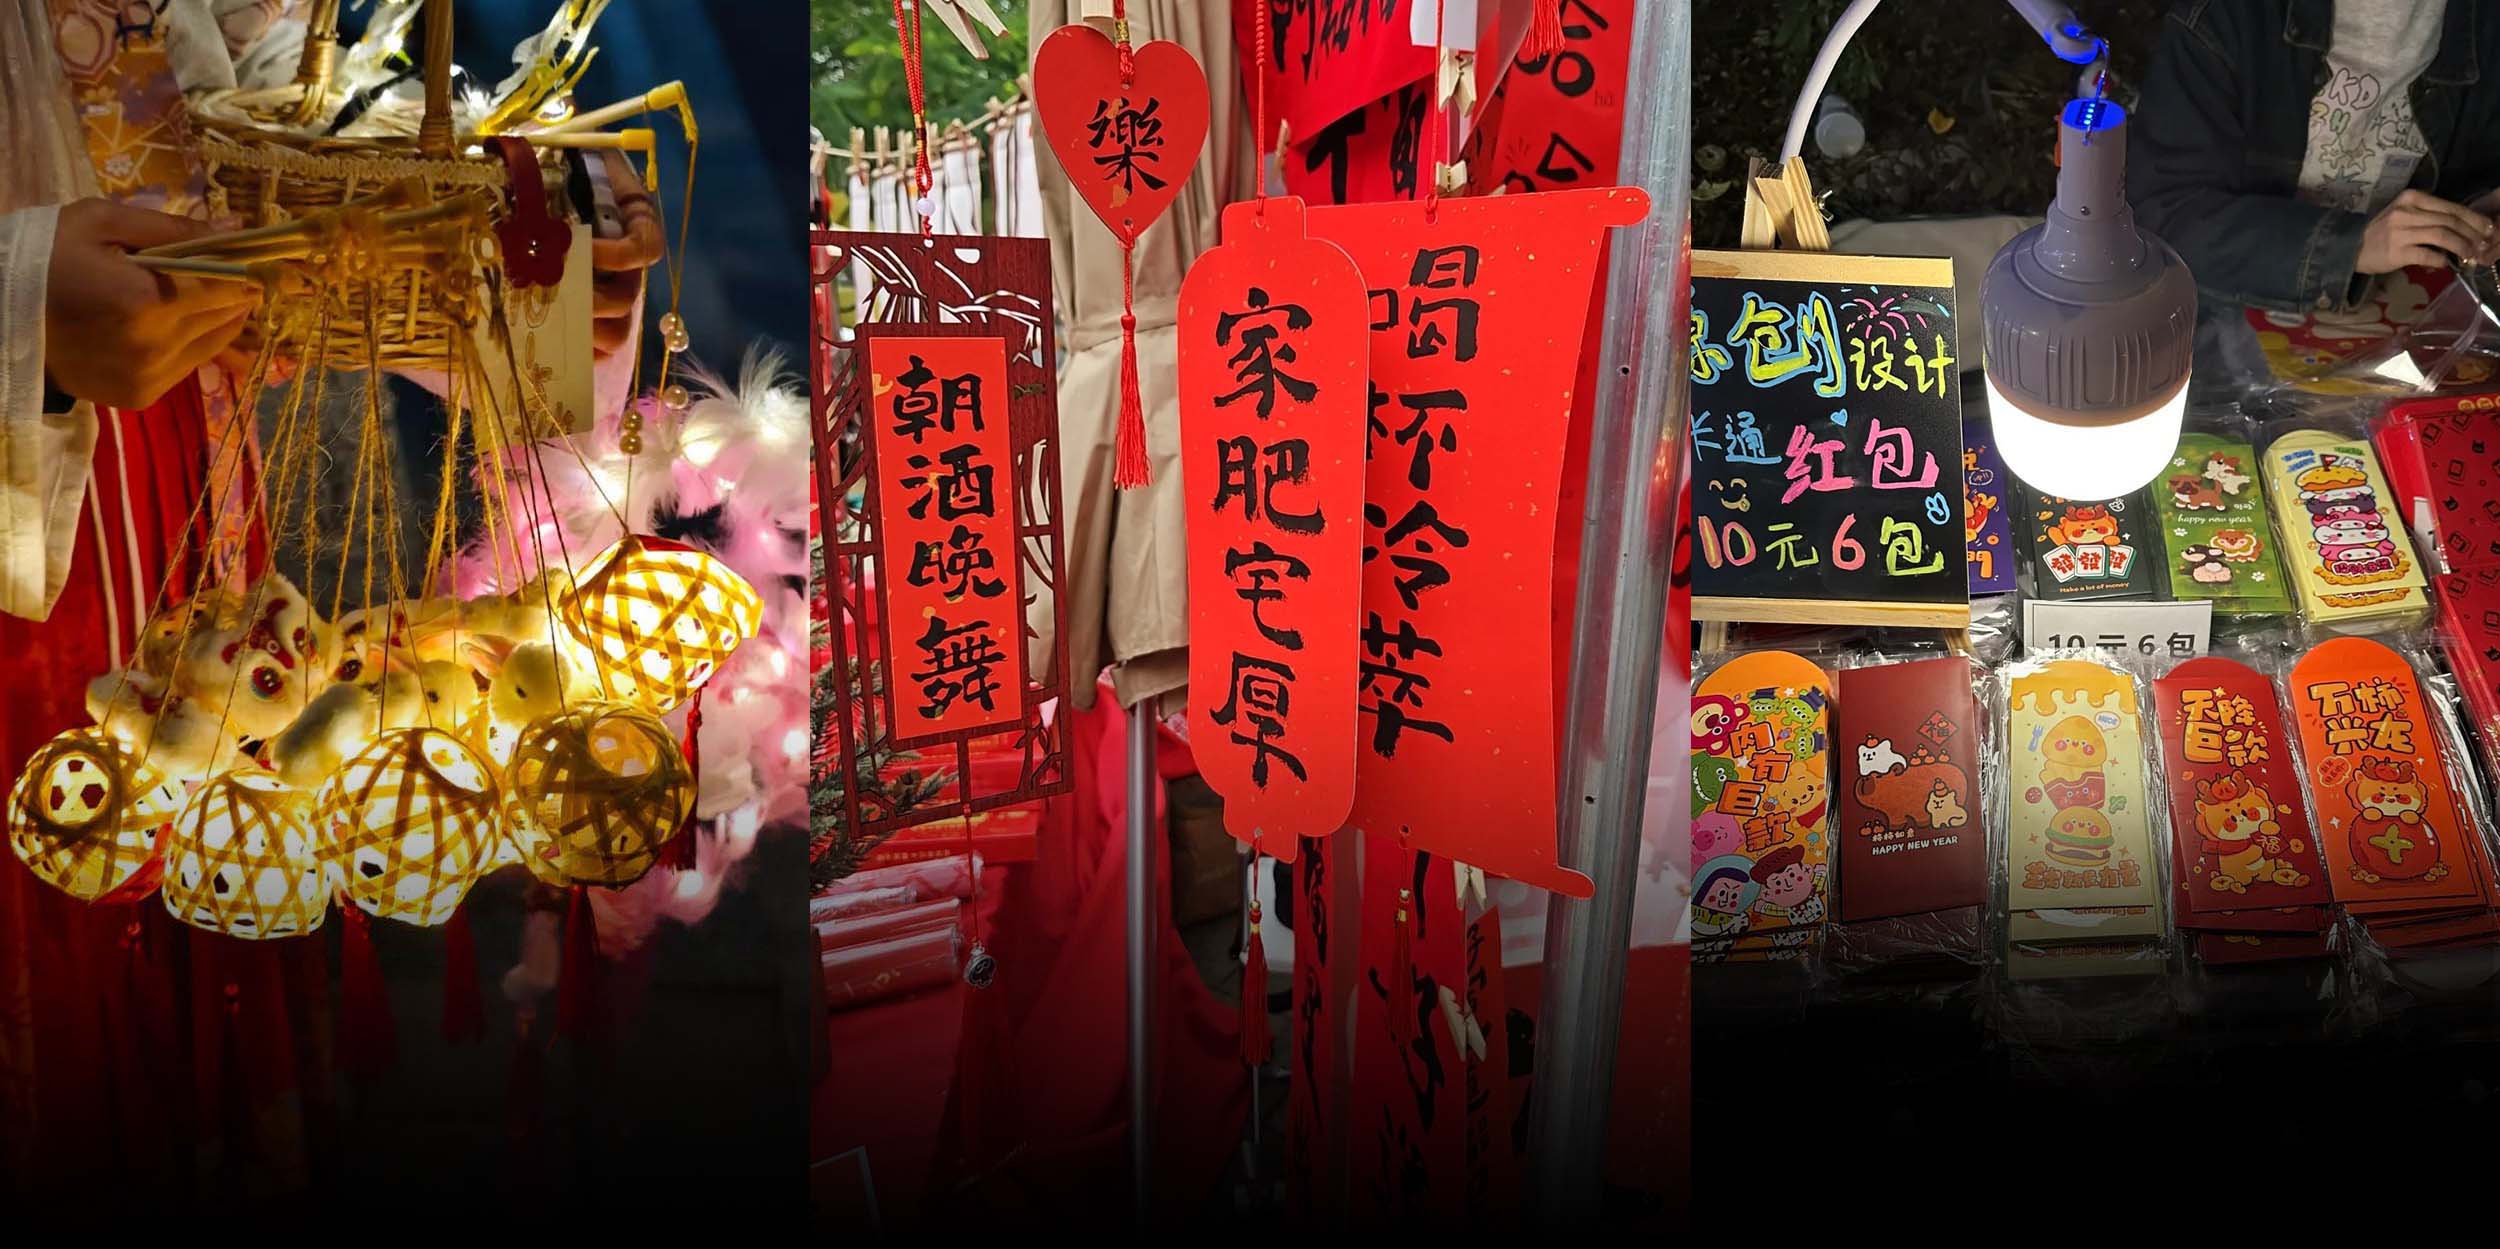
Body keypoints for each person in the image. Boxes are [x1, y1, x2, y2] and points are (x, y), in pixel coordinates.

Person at [0, 2, 660, 1201]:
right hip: (35, 520)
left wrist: (484, 187)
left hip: (193, 481)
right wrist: (15, 311)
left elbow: (273, 81)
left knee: (231, 830)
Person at [2128, 0, 2500, 319]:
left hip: (2409, 334)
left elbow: (2477, 175)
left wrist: (2479, 219)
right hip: (2223, 327)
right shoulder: (2229, 15)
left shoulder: (2483, 24)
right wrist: (2348, 247)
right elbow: (2163, 215)